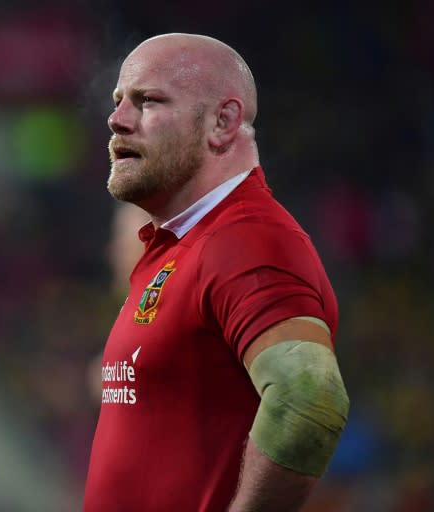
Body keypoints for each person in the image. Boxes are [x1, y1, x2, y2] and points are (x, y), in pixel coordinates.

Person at [84, 33, 349, 511]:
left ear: (223, 123)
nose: (117, 119)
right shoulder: (178, 245)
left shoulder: (245, 239)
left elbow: (310, 401)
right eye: (119, 100)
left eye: (148, 101)